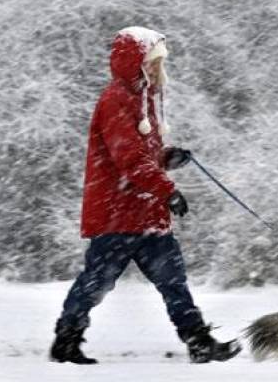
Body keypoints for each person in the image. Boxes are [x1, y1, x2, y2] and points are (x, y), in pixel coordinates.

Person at [49, 26, 241, 365]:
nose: (157, 68)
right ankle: (66, 341)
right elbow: (128, 159)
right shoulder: (115, 100)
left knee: (173, 281)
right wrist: (168, 190)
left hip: (147, 215)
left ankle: (198, 342)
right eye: (152, 61)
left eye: (159, 62)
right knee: (96, 283)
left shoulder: (143, 99)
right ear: (134, 62)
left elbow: (143, 154)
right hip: (116, 216)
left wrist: (167, 157)